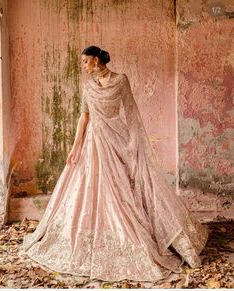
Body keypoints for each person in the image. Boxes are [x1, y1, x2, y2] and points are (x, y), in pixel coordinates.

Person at [20, 45, 209, 282]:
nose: (83, 66)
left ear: (98, 60)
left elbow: (131, 113)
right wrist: (75, 146)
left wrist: (134, 144)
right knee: (87, 188)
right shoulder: (88, 86)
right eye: (82, 63)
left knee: (126, 189)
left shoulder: (120, 80)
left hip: (116, 139)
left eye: (85, 62)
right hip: (93, 143)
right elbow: (84, 116)